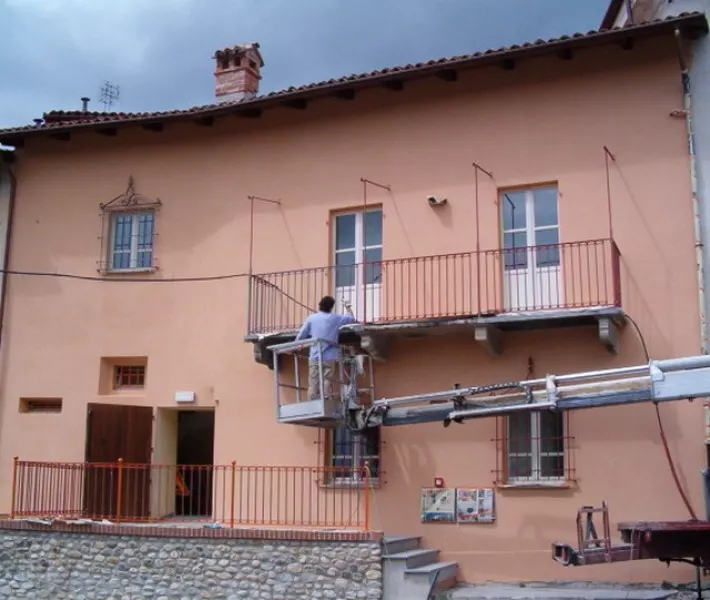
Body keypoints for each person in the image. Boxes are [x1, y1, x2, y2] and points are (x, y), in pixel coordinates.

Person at [295, 295, 355, 400]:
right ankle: (325, 398)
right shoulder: (335, 318)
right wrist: (347, 305)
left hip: (314, 355)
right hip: (329, 355)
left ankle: (312, 401)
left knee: (313, 381)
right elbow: (351, 318)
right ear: (331, 307)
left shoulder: (311, 318)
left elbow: (301, 335)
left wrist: (297, 345)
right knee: (327, 379)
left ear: (320, 305)